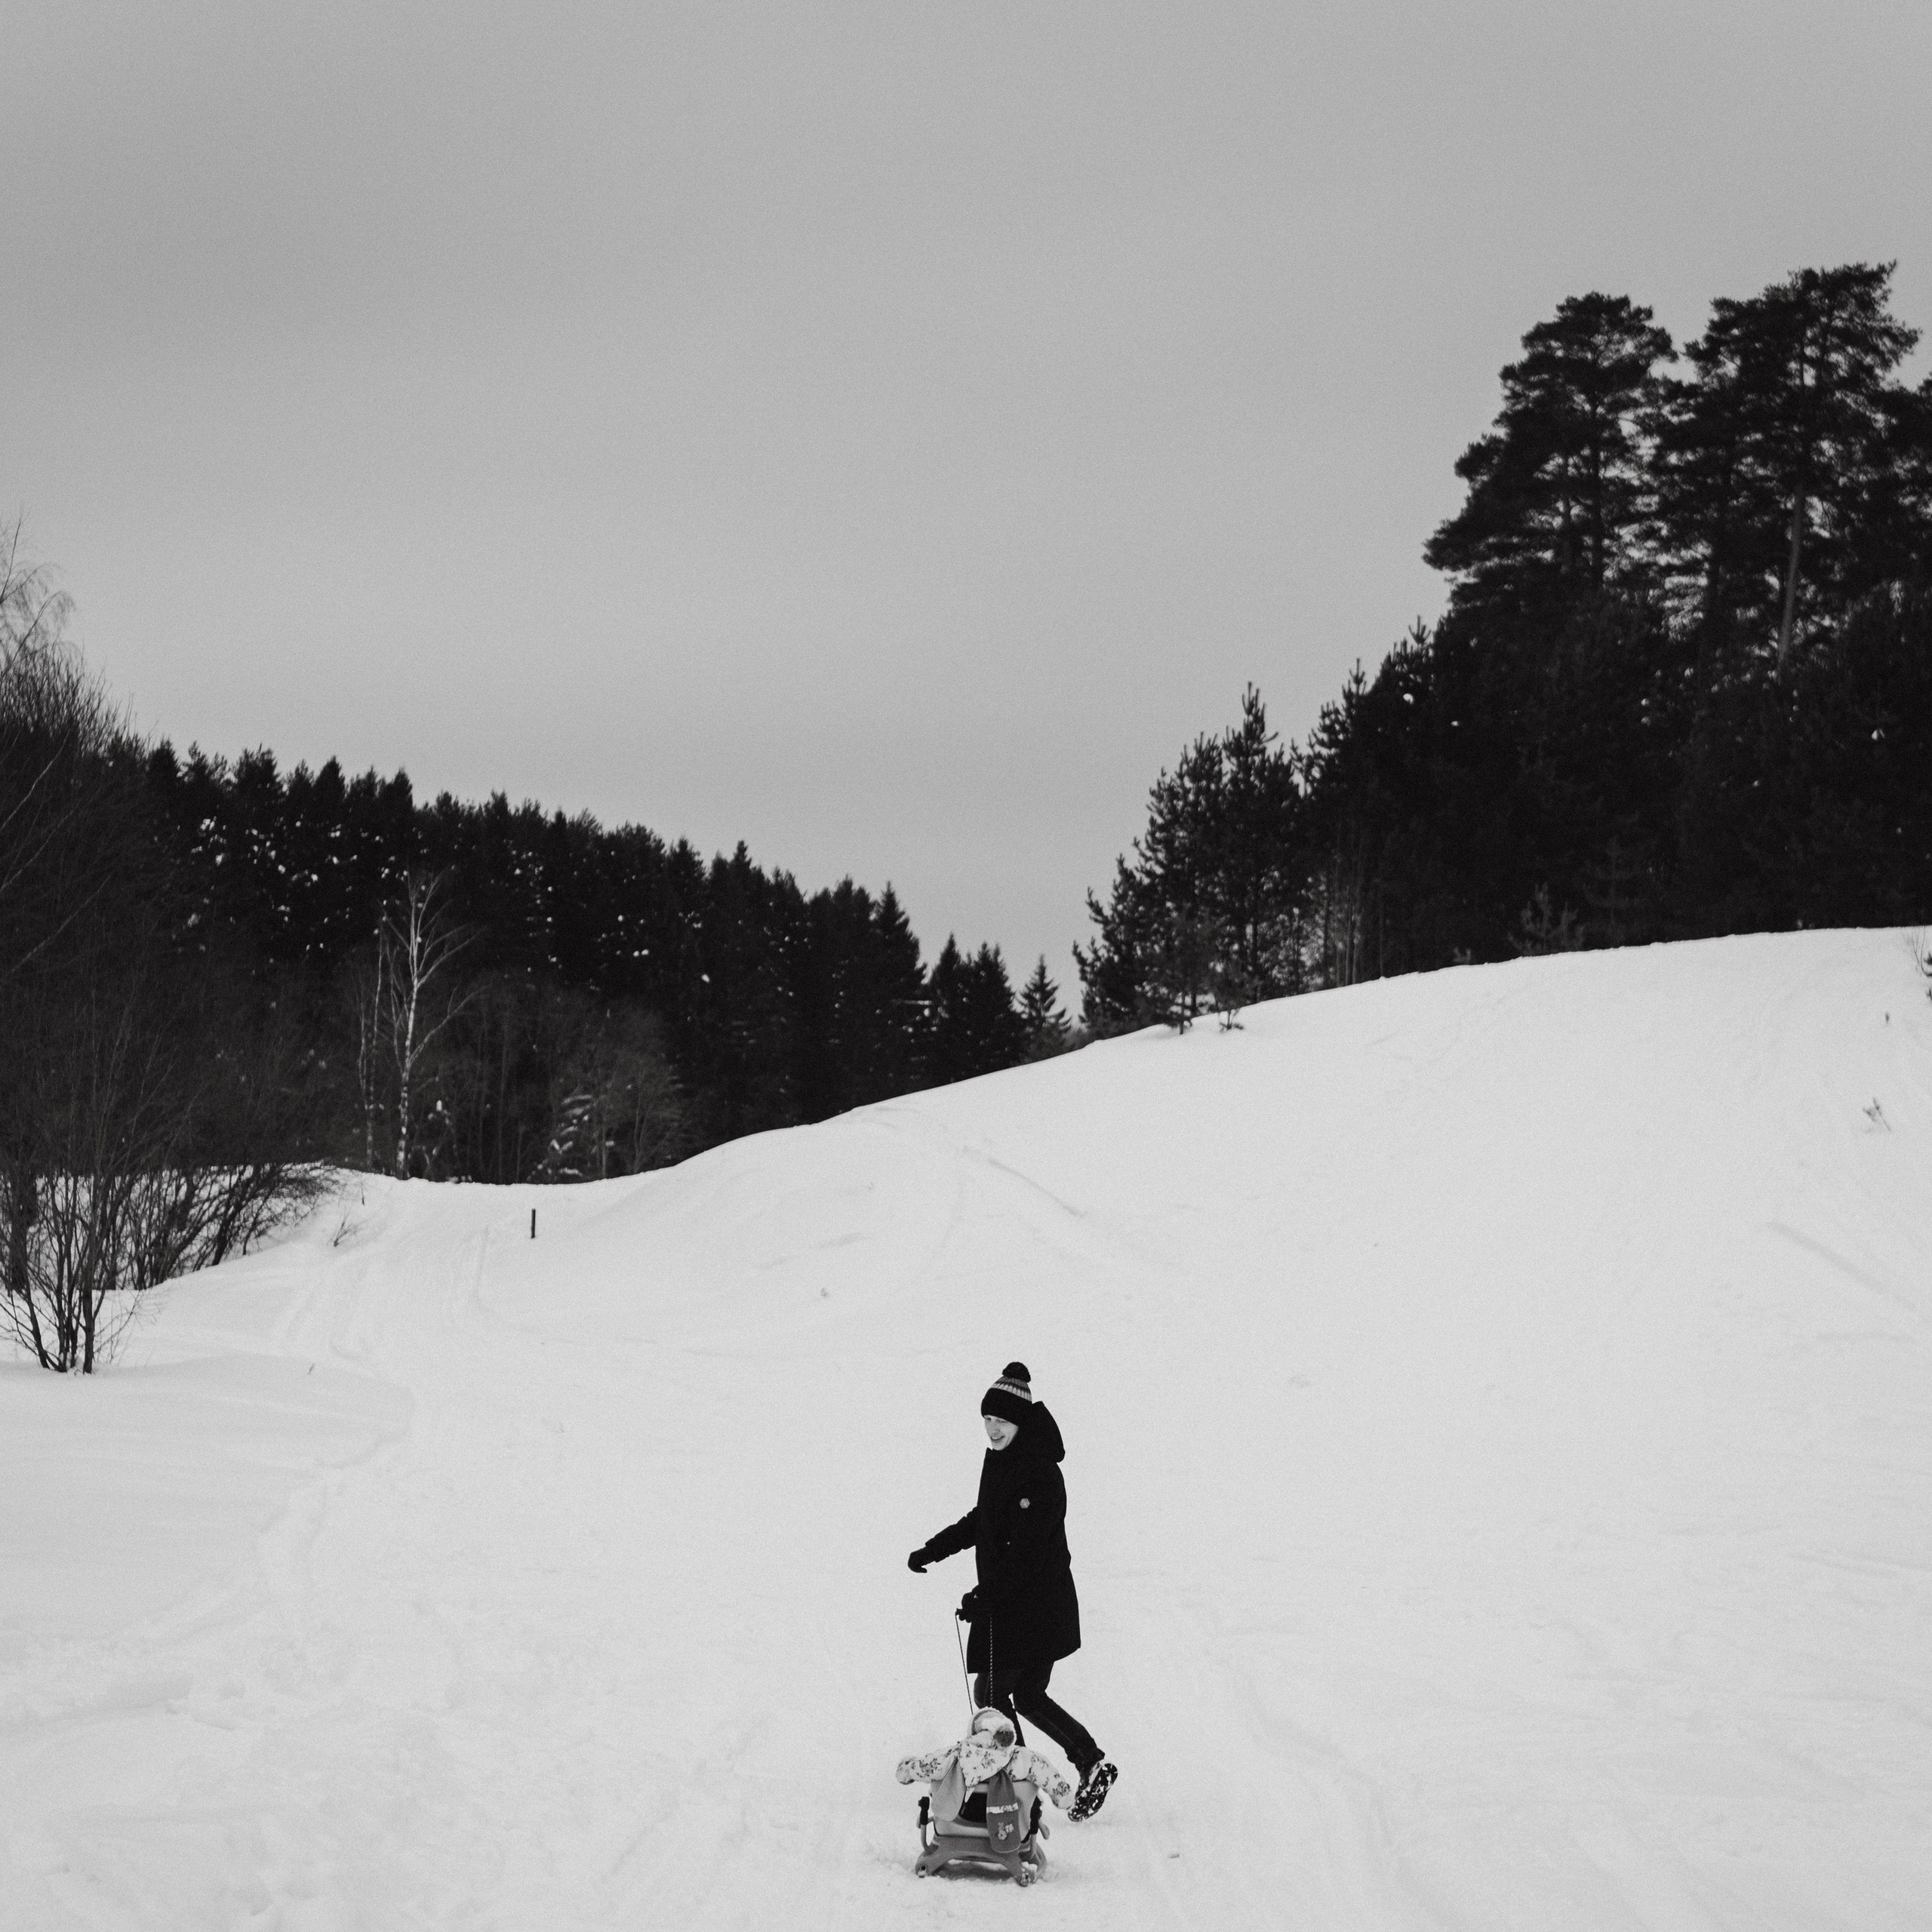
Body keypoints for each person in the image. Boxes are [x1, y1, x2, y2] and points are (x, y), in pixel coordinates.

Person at [906, 1361, 1119, 1820]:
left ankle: (1019, 1783)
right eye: (987, 1420)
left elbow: (1026, 1552)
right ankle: (1087, 1763)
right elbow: (984, 1520)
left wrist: (985, 1596)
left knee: (997, 1691)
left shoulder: (1041, 1473)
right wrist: (933, 1550)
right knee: (1023, 1694)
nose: (993, 1428)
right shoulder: (1003, 1460)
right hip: (1016, 1601)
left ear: (1020, 1421)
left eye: (1001, 1420)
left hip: (1036, 1603)